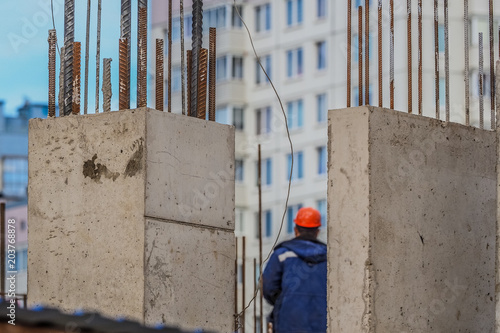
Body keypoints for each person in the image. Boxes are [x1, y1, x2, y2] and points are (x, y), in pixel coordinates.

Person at [262, 207, 327, 333]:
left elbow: (268, 287)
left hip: (289, 323)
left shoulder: (282, 254)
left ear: (296, 229)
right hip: (322, 323)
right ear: (317, 231)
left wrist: (285, 300)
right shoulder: (329, 257)